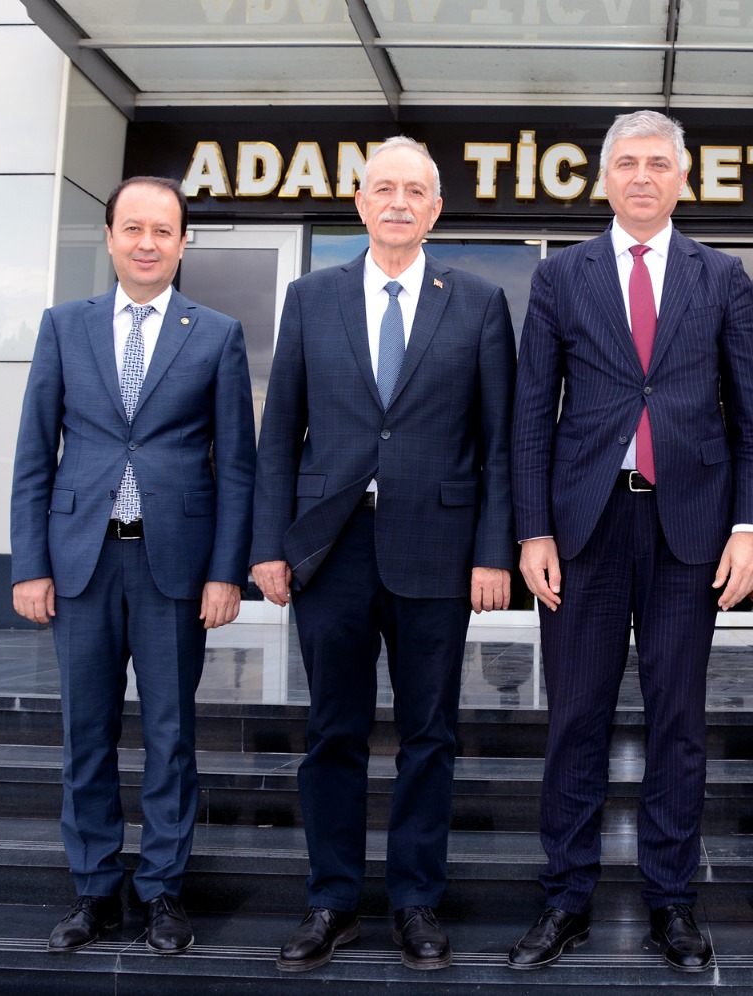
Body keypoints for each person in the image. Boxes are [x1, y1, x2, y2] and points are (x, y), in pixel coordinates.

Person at [508, 109, 753, 973]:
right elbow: (530, 416)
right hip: (585, 529)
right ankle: (565, 898)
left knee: (679, 722)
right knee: (574, 719)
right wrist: (533, 529)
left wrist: (750, 528)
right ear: (605, 178)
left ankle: (672, 900)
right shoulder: (561, 276)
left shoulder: (722, 276)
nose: (643, 177)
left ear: (683, 179)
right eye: (627, 163)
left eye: (659, 163)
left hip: (689, 528)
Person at [250, 137, 516, 972]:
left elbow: (498, 444)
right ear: (360, 203)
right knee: (333, 730)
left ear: (436, 209)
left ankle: (415, 901)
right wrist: (268, 546)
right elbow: (278, 433)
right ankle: (331, 900)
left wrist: (493, 552)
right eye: (383, 188)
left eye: (415, 190)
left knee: (429, 734)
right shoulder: (310, 297)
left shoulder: (478, 302)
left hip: (439, 547)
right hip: (330, 548)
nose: (398, 202)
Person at [10, 176, 256, 956]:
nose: (148, 243)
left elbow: (237, 467)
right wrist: (29, 565)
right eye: (133, 228)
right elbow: (34, 456)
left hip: (173, 566)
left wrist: (226, 572)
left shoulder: (216, 334)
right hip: (79, 563)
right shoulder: (64, 326)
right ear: (110, 237)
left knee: (170, 734)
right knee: (84, 733)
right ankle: (94, 891)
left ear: (183, 243)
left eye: (163, 231)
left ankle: (161, 892)